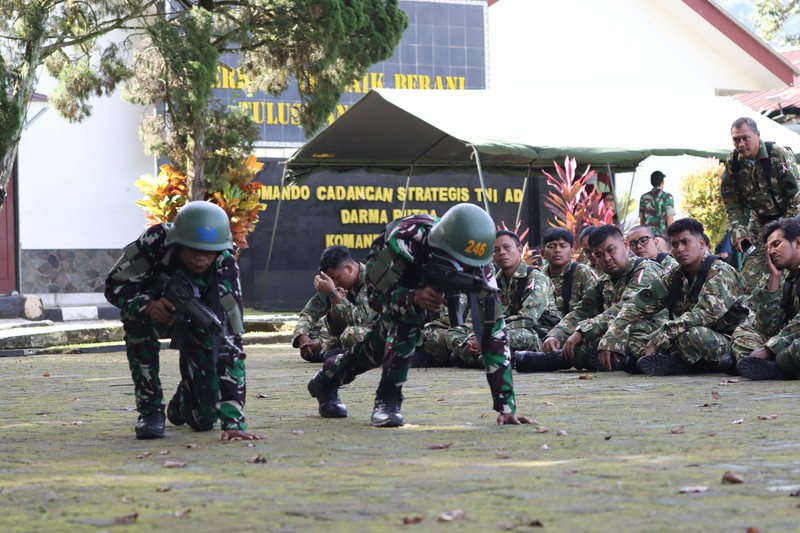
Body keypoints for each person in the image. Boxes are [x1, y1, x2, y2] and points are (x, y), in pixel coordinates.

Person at [306, 203, 534, 427]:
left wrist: (506, 407)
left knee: (375, 348)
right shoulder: (406, 239)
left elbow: (494, 332)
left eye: (466, 265)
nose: (461, 267)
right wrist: (412, 297)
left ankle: (325, 380)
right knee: (407, 321)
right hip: (400, 279)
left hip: (418, 287)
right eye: (454, 260)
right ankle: (388, 400)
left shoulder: (478, 265)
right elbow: (376, 298)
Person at [105, 201, 263, 441]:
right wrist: (148, 305)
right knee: (135, 319)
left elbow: (231, 342)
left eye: (207, 252)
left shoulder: (225, 266)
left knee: (202, 422)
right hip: (154, 313)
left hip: (198, 321)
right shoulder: (155, 241)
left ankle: (183, 397)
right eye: (193, 249)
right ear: (178, 243)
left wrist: (233, 422)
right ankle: (150, 411)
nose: (201, 258)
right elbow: (115, 284)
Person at [516, 225, 664, 373]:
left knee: (609, 342)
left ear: (625, 244)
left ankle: (638, 361)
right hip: (620, 332)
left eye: (611, 250)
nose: (607, 258)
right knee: (582, 346)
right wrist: (556, 335)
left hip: (650, 333)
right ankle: (621, 362)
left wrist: (582, 332)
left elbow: (626, 309)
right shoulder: (604, 281)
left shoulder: (646, 270)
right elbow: (581, 311)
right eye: (599, 255)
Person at [610, 218, 747, 376]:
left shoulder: (721, 272)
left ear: (701, 243)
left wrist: (661, 336)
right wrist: (614, 334)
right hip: (690, 334)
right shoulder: (676, 276)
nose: (680, 249)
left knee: (692, 335)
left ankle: (685, 365)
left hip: (732, 339)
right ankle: (672, 362)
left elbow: (702, 315)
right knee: (637, 338)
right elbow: (639, 304)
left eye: (685, 242)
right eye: (674, 244)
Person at [448, 230, 561, 366]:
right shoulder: (491, 284)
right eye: (496, 250)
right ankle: (478, 353)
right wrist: (472, 338)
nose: (502, 252)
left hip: (536, 334)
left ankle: (478, 356)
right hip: (498, 332)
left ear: (519, 250)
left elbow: (527, 319)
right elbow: (475, 319)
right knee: (452, 333)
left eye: (507, 247)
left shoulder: (536, 278)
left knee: (515, 336)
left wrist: (487, 335)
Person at [720, 117, 800, 292]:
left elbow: (796, 197)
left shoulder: (778, 155)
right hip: (760, 221)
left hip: (788, 220)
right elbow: (731, 200)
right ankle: (751, 315)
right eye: (736, 139)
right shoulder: (733, 161)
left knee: (787, 272)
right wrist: (739, 231)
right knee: (749, 279)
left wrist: (784, 232)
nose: (740, 144)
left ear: (757, 135)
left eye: (745, 138)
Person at [732, 218, 800, 380]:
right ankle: (774, 365)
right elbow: (768, 327)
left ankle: (777, 365)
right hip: (788, 340)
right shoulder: (787, 278)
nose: (770, 252)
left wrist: (771, 349)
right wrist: (775, 279)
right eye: (768, 248)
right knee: (742, 334)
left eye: (776, 244)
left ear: (797, 242)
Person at [292, 246, 370, 362]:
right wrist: (302, 336)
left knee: (351, 334)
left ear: (349, 268)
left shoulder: (373, 280)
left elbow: (360, 321)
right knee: (311, 335)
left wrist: (334, 294)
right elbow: (309, 312)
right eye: (331, 280)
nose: (335, 283)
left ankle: (331, 351)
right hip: (344, 334)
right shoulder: (337, 284)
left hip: (384, 334)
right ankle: (334, 351)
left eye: (336, 278)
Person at [539, 227, 598, 316]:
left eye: (563, 246)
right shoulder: (538, 276)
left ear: (572, 252)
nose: (557, 250)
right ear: (542, 253)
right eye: (551, 246)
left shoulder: (582, 272)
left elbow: (593, 309)